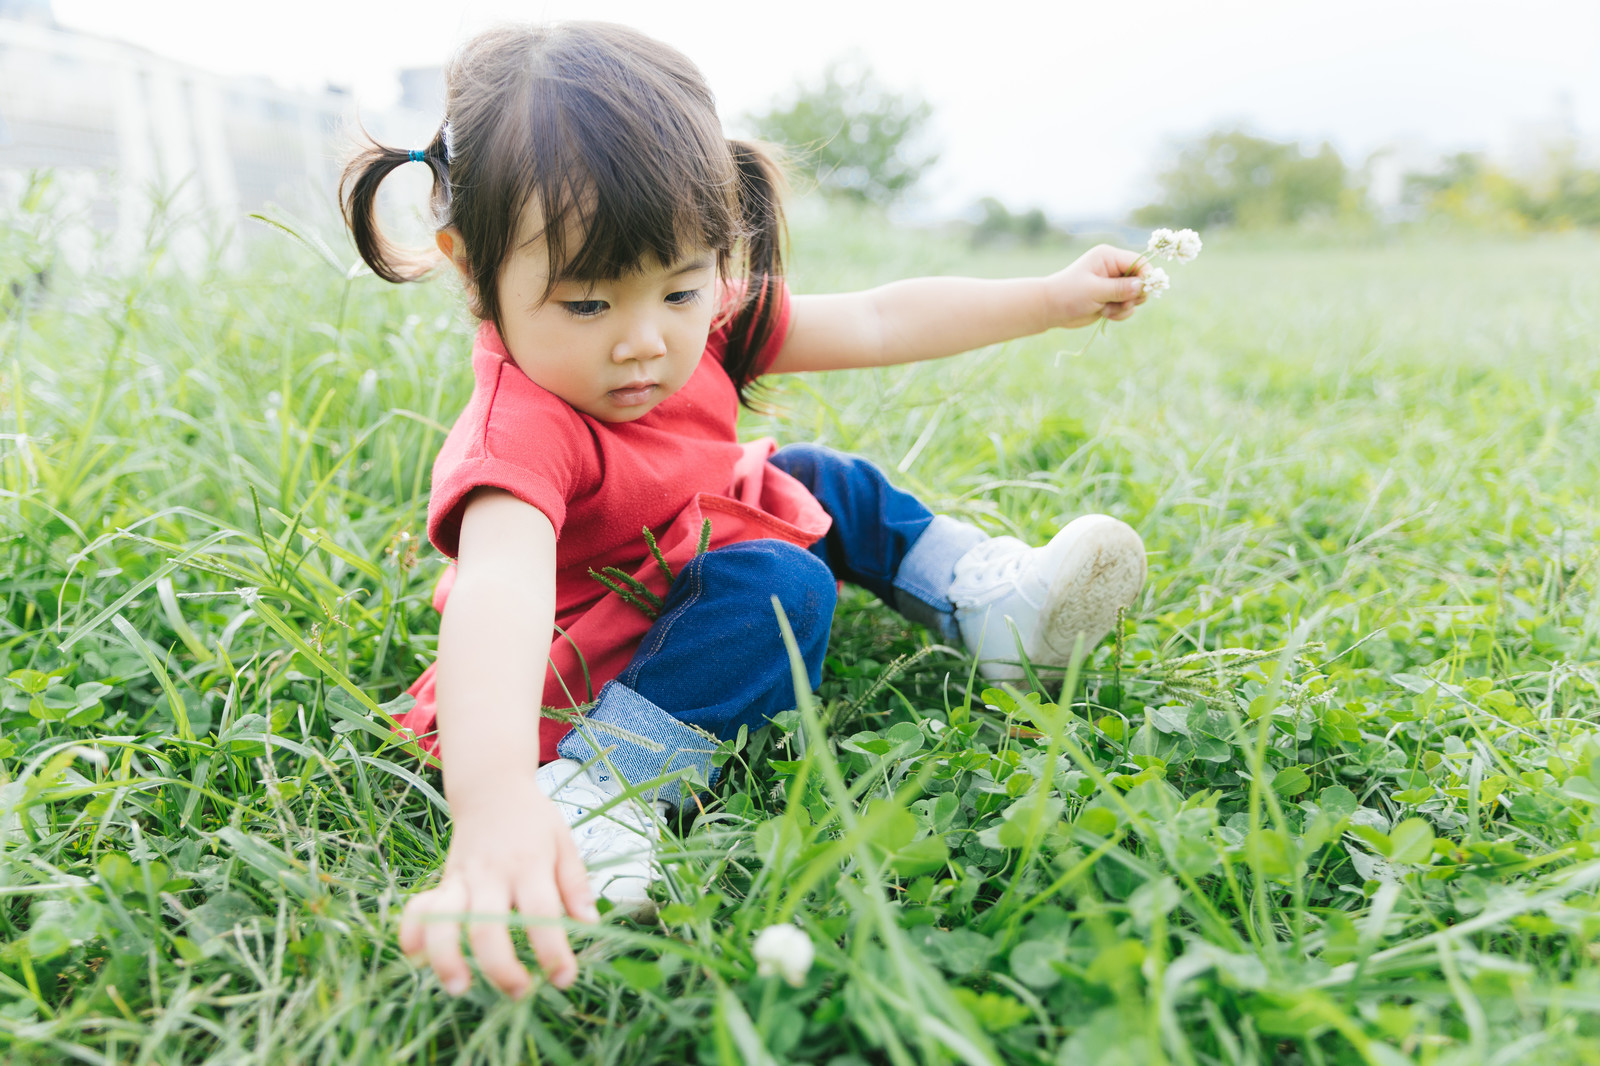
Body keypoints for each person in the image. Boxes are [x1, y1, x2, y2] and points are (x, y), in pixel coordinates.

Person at [340, 21, 1152, 1000]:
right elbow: (498, 597)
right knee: (777, 582)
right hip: (595, 657)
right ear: (472, 271)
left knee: (816, 476)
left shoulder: (702, 321)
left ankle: (995, 613)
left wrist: (1049, 299)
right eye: (587, 306)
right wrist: (495, 798)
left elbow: (883, 316)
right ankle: (605, 790)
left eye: (680, 288)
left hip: (679, 547)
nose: (646, 342)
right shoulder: (521, 427)